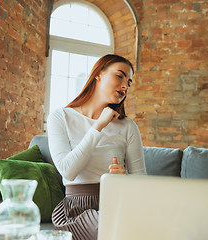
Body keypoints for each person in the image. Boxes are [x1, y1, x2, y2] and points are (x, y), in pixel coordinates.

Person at [47, 54, 147, 240]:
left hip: (117, 202)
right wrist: (99, 125)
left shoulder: (128, 126)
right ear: (98, 74)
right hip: (76, 210)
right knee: (115, 228)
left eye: (129, 82)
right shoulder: (60, 117)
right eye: (120, 76)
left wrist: (124, 179)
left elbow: (141, 179)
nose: (125, 86)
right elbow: (68, 171)